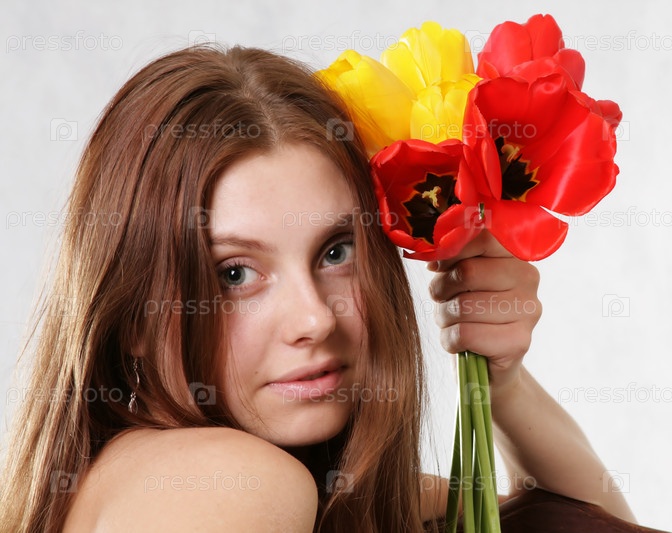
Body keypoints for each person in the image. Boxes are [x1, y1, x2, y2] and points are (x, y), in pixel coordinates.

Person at [0, 45, 636, 532]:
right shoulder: (237, 482)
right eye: (233, 274)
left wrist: (501, 382)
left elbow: (584, 524)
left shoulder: (332, 497)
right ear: (134, 318)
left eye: (335, 252)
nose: (315, 319)